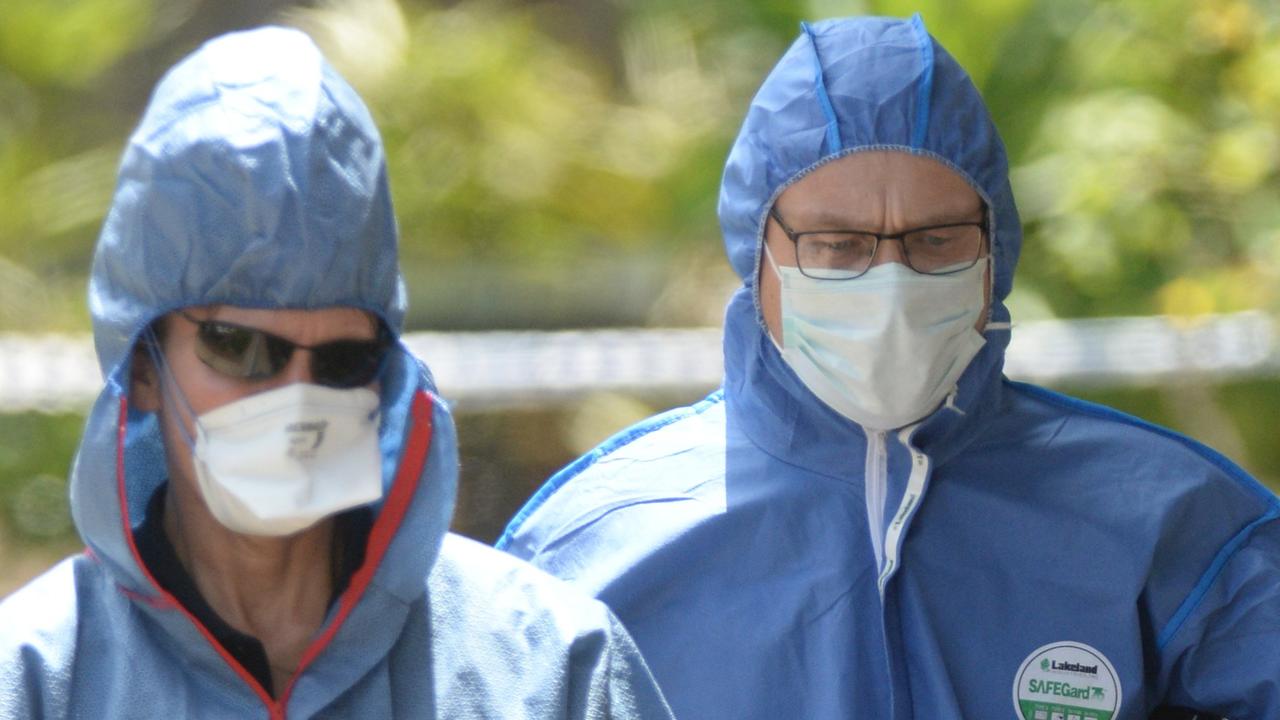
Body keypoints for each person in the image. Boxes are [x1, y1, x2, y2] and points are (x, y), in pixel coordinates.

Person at [499, 14, 1280, 720]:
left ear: (994, 252)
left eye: (935, 241)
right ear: (757, 253)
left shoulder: (1171, 522)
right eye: (836, 246)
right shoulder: (595, 551)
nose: (891, 284)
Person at [0, 26, 673, 719]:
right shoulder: (37, 679)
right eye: (240, 347)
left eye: (343, 360)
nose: (296, 398)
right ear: (142, 365)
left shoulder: (544, 667)